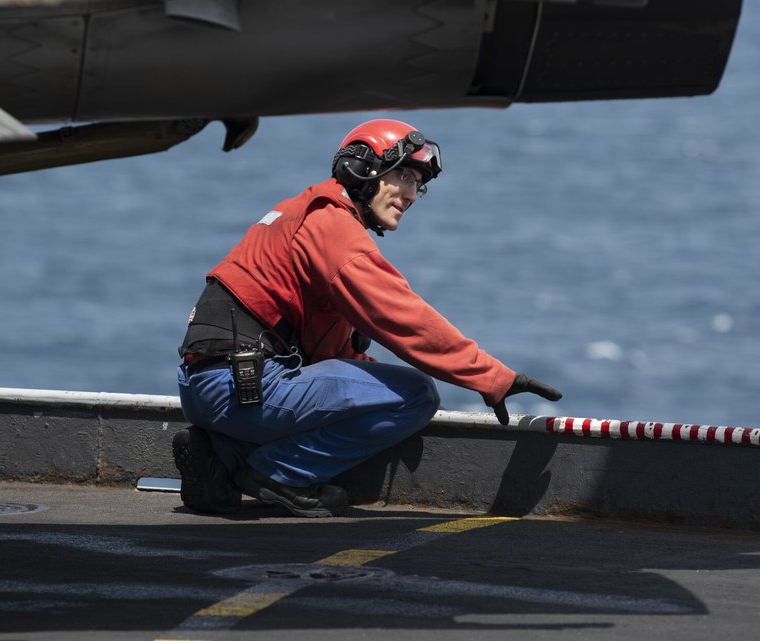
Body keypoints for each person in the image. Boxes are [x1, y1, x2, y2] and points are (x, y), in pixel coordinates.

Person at [173, 118, 561, 517]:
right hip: (245, 388)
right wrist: (491, 377)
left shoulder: (302, 213)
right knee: (414, 395)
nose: (411, 194)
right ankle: (278, 473)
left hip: (212, 387)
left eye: (418, 184)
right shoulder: (332, 226)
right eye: (405, 176)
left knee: (380, 389)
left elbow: (333, 352)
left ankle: (220, 458)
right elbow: (401, 316)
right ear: (362, 169)